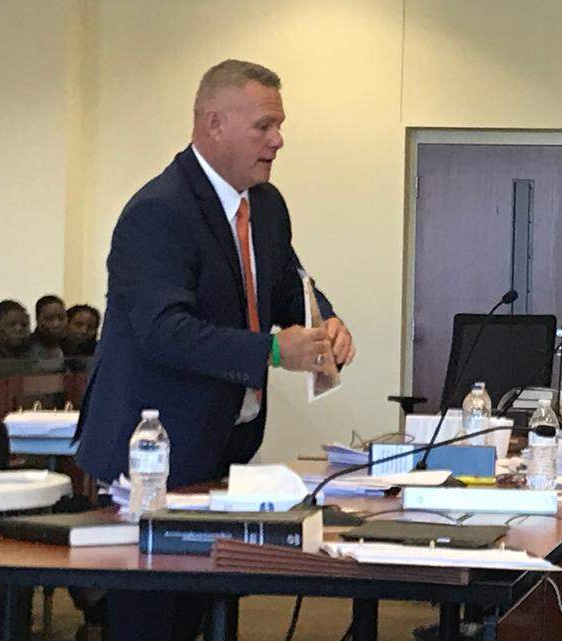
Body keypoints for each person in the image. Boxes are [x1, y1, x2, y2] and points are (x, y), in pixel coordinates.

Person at [74, 59, 355, 641]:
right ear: (213, 123)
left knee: (200, 613)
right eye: (264, 126)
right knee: (154, 624)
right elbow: (164, 331)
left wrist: (324, 322)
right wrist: (276, 352)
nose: (279, 140)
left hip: (220, 450)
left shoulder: (267, 206)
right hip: (151, 460)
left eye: (280, 125)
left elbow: (289, 286)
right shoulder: (159, 210)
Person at [31, 294, 67, 359]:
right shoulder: (27, 347)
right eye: (49, 318)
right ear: (37, 319)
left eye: (61, 318)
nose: (56, 324)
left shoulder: (71, 344)